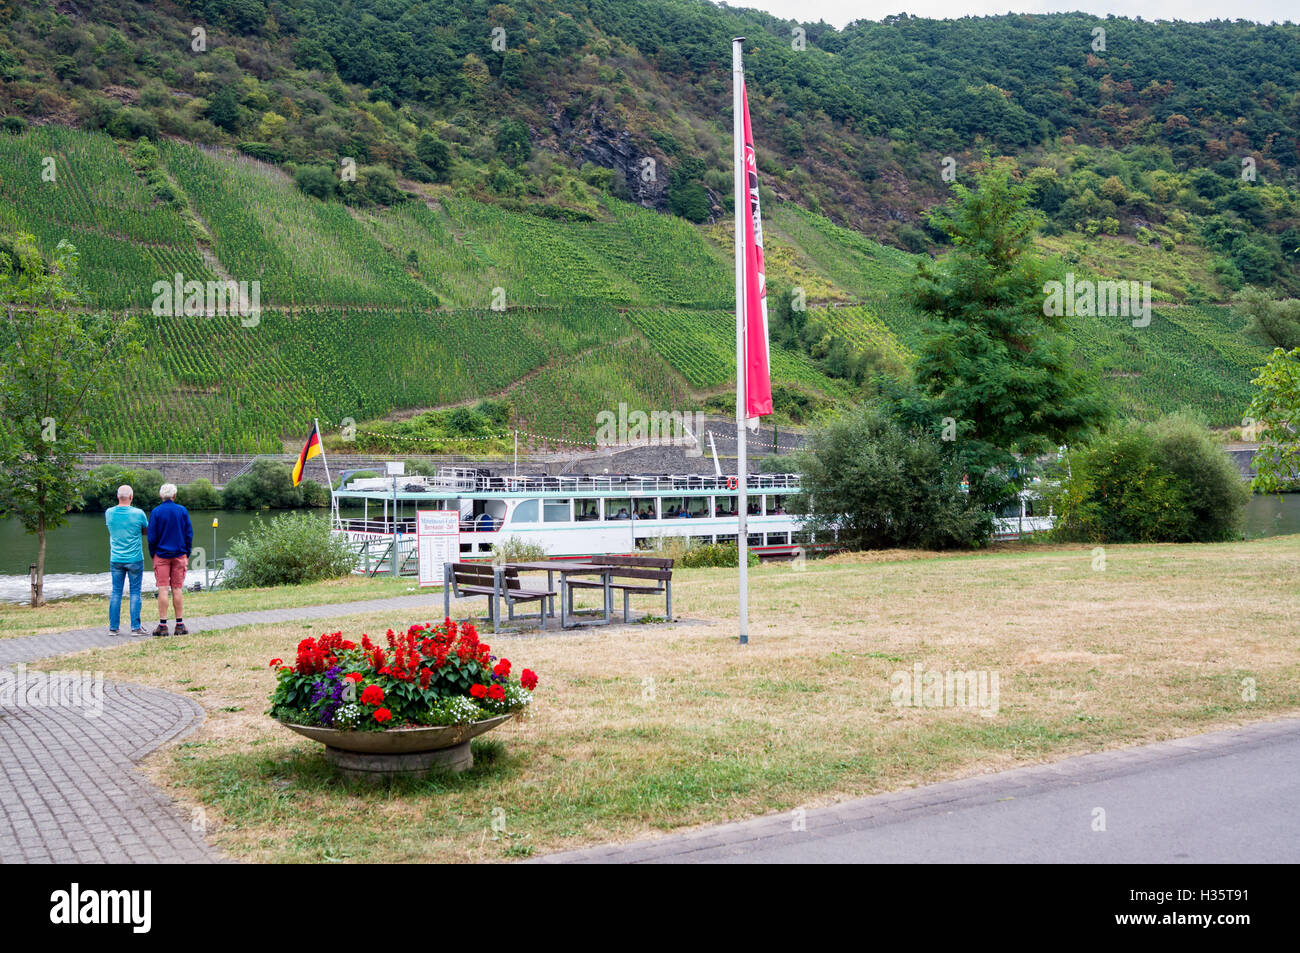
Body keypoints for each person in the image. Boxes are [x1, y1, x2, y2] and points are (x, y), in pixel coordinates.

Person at [147, 483, 193, 637]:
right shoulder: (182, 511)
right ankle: (179, 625)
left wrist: (153, 554)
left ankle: (163, 625)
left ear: (161, 496)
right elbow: (189, 534)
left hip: (161, 555)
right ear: (174, 495)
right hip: (179, 554)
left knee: (162, 588)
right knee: (177, 588)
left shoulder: (156, 512)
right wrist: (187, 553)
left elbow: (151, 537)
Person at [104, 484, 148, 637]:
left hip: (116, 558)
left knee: (116, 592)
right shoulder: (139, 513)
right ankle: (135, 628)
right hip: (135, 558)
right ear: (131, 497)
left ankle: (113, 628)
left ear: (118, 497)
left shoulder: (109, 513)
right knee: (135, 592)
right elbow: (146, 531)